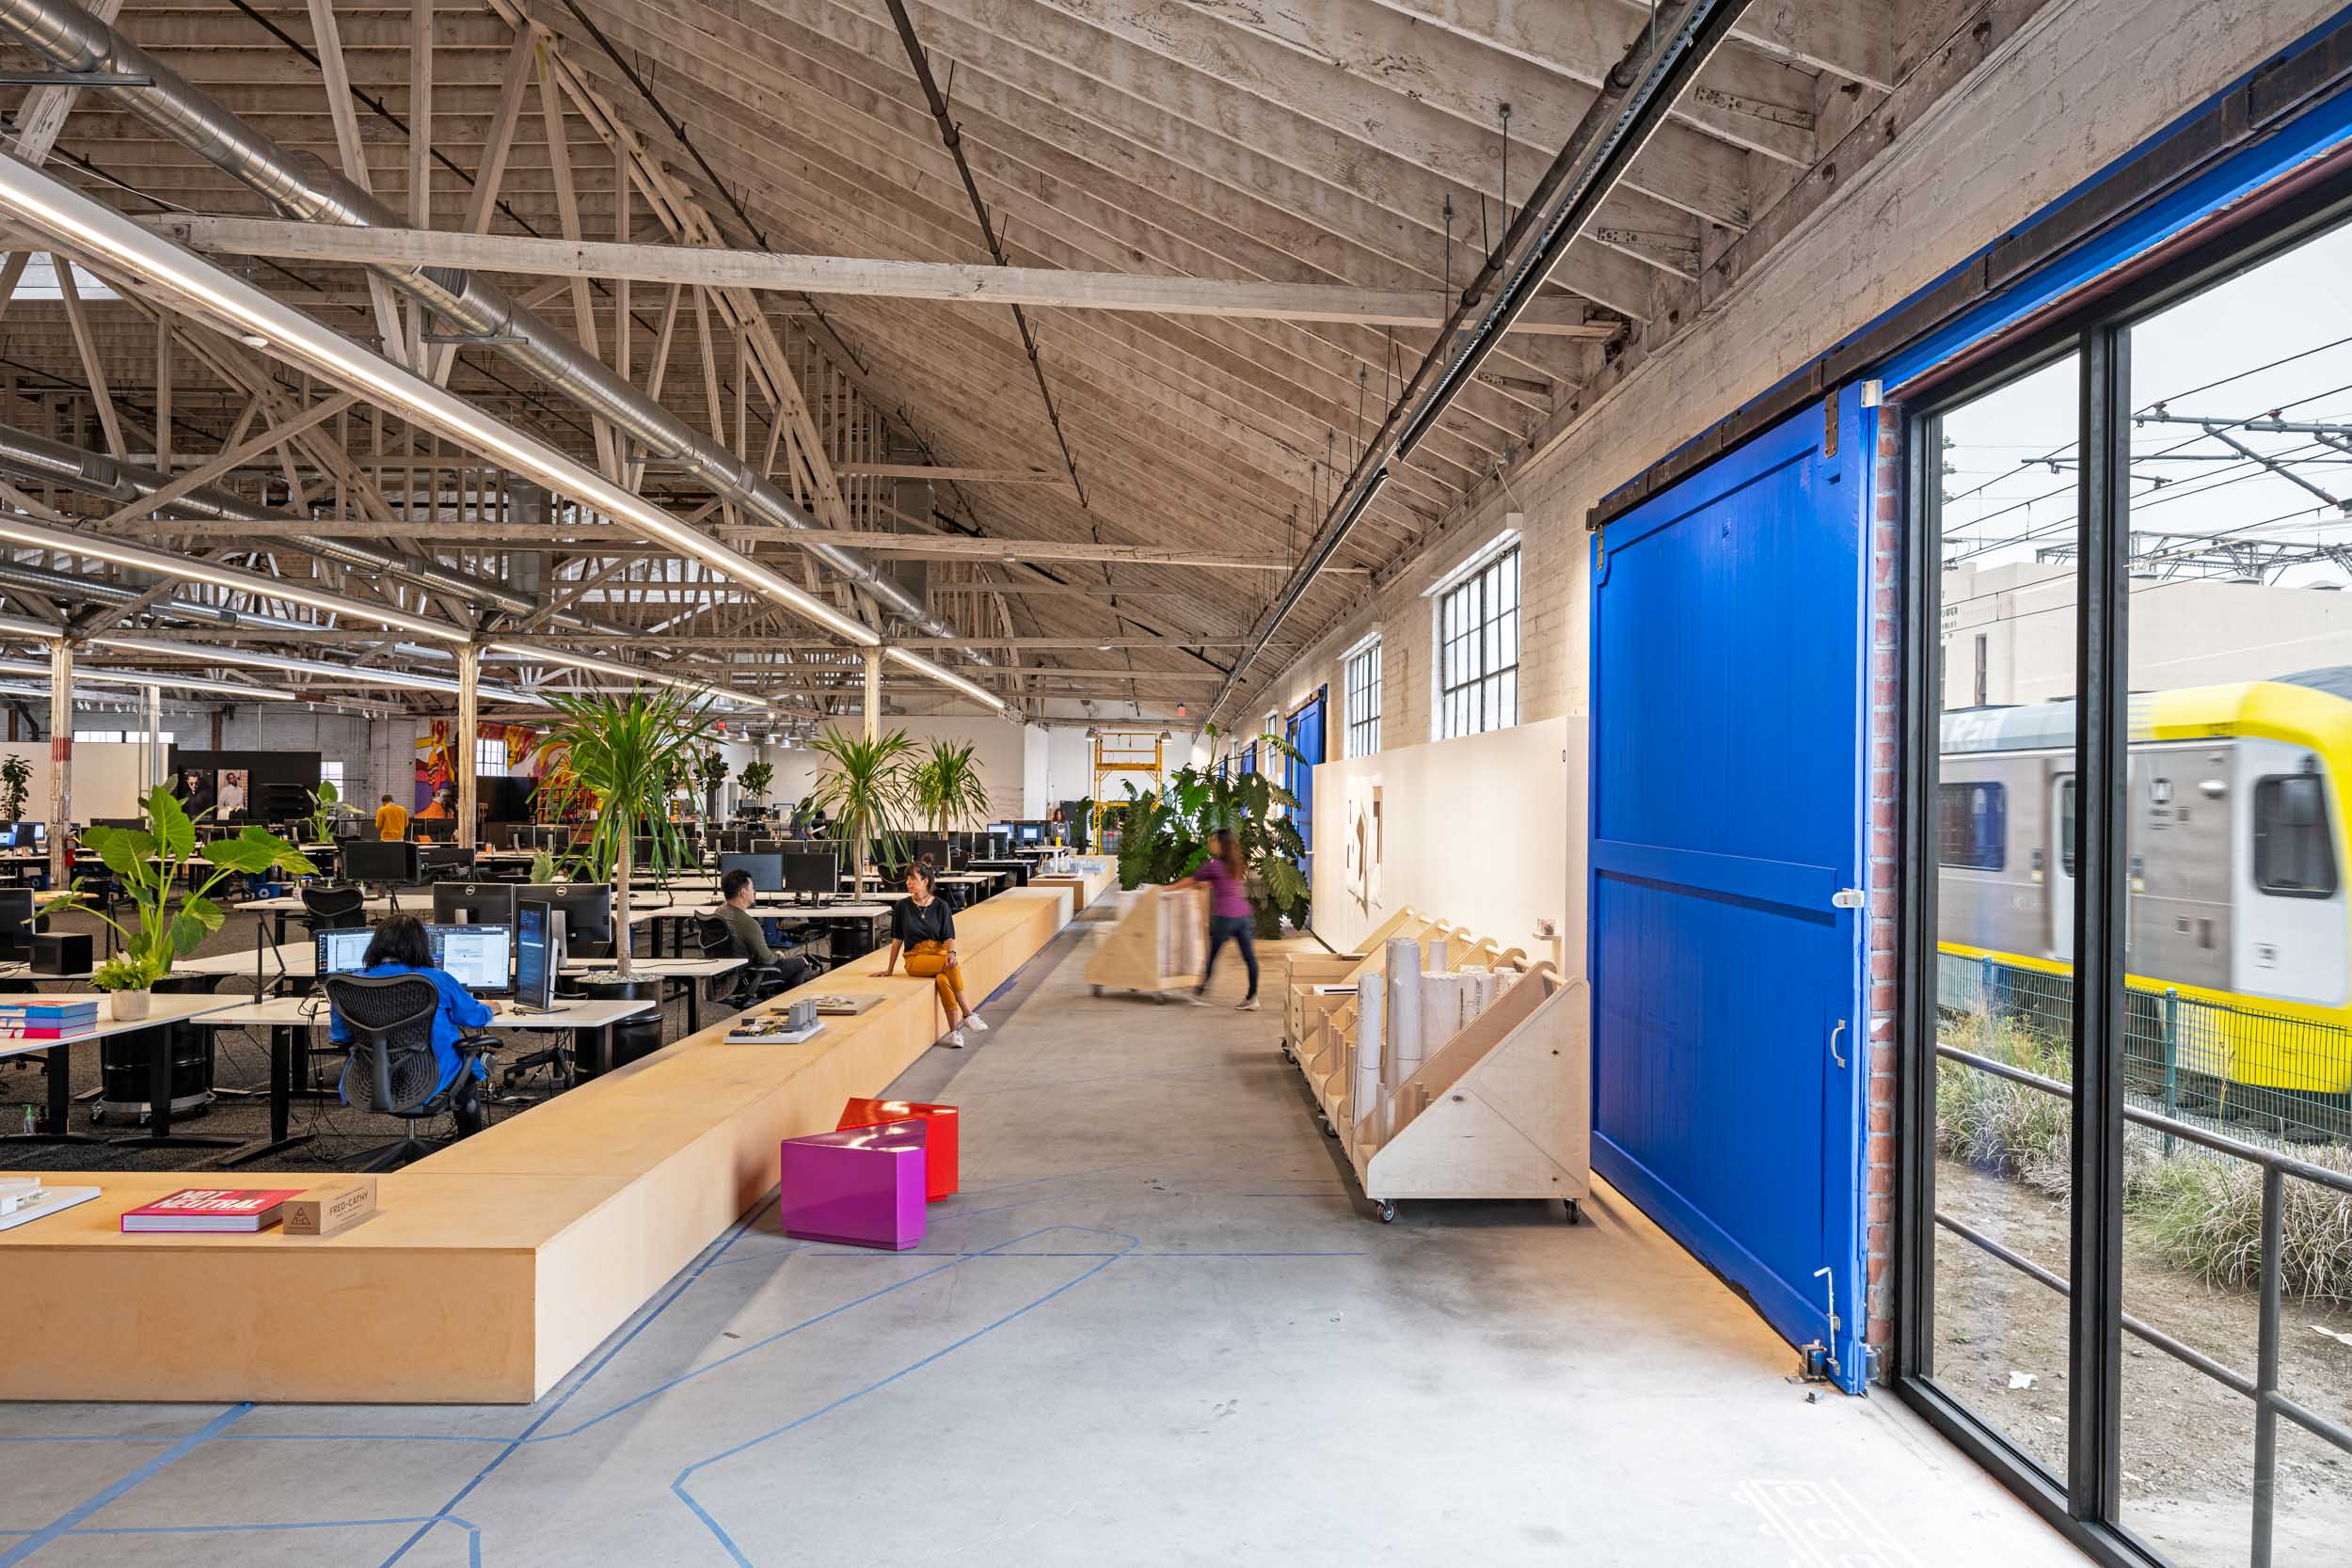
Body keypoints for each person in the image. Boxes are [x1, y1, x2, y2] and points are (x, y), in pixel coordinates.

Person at [326, 913, 495, 1133]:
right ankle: (470, 1145)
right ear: (420, 945)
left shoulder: (348, 983)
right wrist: (489, 1007)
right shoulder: (437, 979)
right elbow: (474, 1018)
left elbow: (339, 1036)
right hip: (428, 1073)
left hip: (371, 1075)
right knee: (470, 1065)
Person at [880, 859, 988, 1047]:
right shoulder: (902, 907)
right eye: (907, 879)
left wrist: (951, 952)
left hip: (938, 954)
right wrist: (889, 969)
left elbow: (948, 936)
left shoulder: (941, 906)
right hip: (915, 959)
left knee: (943, 979)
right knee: (951, 967)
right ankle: (969, 1014)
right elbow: (897, 940)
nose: (908, 883)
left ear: (925, 881)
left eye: (912, 878)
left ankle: (955, 1032)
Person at [1178, 828, 1259, 1010]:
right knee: (1250, 958)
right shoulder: (1237, 863)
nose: (1210, 843)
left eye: (1213, 841)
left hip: (1225, 918)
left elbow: (1191, 880)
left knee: (1212, 956)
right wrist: (1207, 883)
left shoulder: (1214, 865)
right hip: (1244, 916)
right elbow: (1225, 883)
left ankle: (1198, 993)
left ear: (1221, 845)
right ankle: (1252, 997)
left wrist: (1168, 888)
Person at [716, 867, 814, 994]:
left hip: (722, 976)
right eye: (752, 888)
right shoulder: (748, 923)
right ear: (743, 892)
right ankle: (782, 1006)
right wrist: (778, 955)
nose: (754, 891)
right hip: (745, 976)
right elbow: (766, 959)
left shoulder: (719, 912)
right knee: (800, 963)